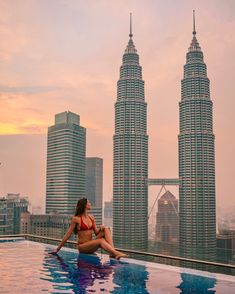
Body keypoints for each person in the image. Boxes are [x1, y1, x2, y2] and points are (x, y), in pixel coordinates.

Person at [50, 197, 127, 260]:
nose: (90, 204)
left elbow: (97, 233)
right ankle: (115, 253)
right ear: (84, 205)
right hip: (83, 247)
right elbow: (68, 234)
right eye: (88, 203)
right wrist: (57, 249)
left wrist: (101, 228)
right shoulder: (76, 219)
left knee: (106, 229)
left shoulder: (91, 217)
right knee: (101, 241)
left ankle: (112, 253)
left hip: (91, 245)